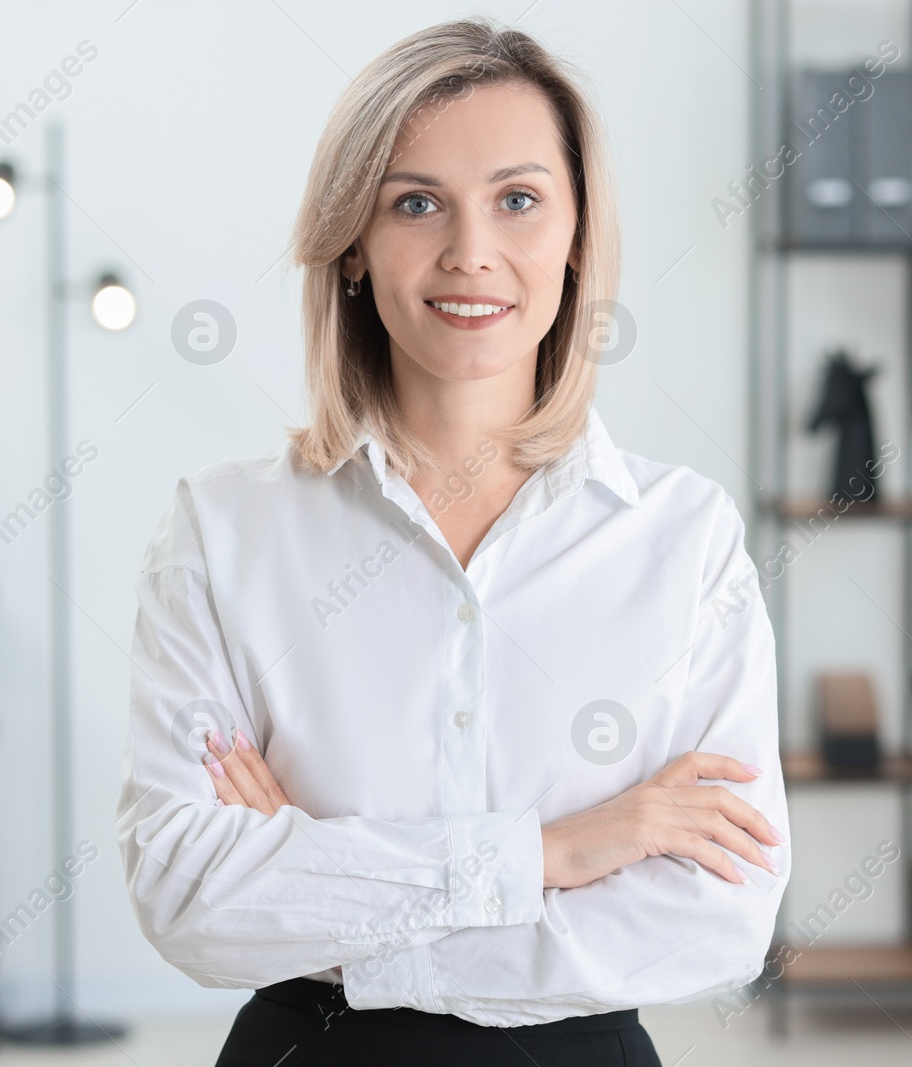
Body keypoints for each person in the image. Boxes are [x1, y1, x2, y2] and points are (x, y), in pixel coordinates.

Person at [115, 16, 789, 1066]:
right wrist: (557, 851)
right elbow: (192, 896)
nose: (470, 250)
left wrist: (326, 884)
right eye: (415, 202)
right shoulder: (223, 528)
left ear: (575, 240)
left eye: (517, 200)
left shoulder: (682, 538)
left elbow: (715, 917)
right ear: (350, 244)